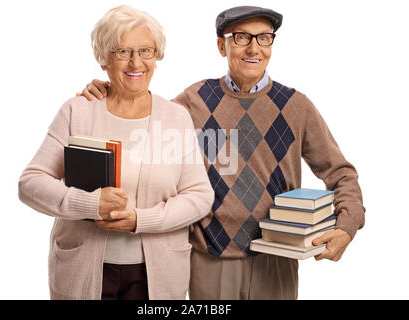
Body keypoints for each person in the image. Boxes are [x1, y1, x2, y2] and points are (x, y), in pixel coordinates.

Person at [80, 6, 365, 300]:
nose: (254, 47)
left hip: (277, 257)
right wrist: (110, 90)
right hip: (209, 259)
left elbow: (341, 174)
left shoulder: (296, 106)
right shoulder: (194, 101)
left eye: (264, 38)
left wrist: (346, 227)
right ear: (222, 45)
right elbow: (139, 119)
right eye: (241, 37)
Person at [18, 5, 214, 300]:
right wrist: (91, 204)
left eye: (145, 51)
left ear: (156, 56)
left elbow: (200, 196)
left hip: (157, 274)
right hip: (82, 271)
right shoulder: (78, 111)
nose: (136, 63)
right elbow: (30, 183)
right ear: (103, 60)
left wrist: (140, 220)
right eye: (122, 52)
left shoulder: (176, 117)